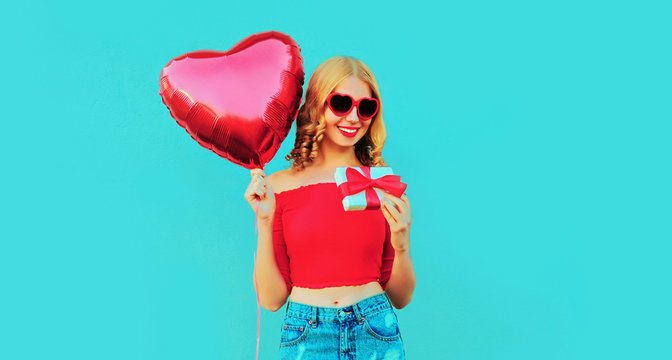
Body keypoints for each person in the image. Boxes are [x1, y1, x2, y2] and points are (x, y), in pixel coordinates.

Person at [244, 56, 415, 359]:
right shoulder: (280, 185)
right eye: (341, 103)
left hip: (375, 329)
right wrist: (266, 219)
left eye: (365, 107)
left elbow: (401, 297)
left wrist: (402, 245)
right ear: (316, 105)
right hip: (306, 332)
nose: (353, 118)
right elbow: (271, 300)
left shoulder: (379, 182)